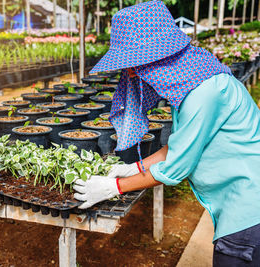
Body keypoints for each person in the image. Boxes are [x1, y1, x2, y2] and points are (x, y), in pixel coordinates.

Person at [72, 1, 260, 266]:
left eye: (134, 64)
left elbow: (176, 168)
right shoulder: (194, 79)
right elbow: (176, 146)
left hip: (249, 212)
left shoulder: (203, 93)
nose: (132, 73)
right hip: (240, 203)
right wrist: (134, 167)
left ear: (155, 58)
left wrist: (112, 187)